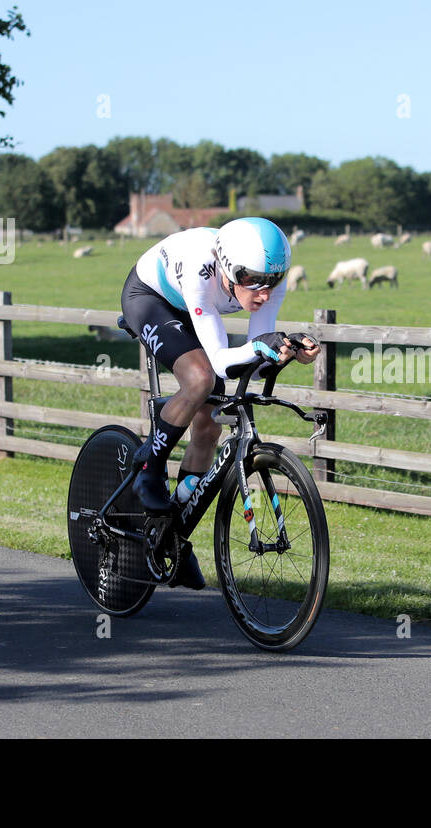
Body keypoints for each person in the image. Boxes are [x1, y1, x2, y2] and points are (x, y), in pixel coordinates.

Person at [119, 217, 319, 584]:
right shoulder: (201, 267)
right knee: (200, 378)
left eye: (272, 281)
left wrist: (284, 350)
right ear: (228, 269)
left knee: (210, 421)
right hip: (151, 298)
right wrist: (262, 346)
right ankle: (148, 467)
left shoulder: (265, 277)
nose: (263, 291)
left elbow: (256, 363)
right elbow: (219, 362)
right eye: (251, 280)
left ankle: (172, 536)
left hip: (194, 308)